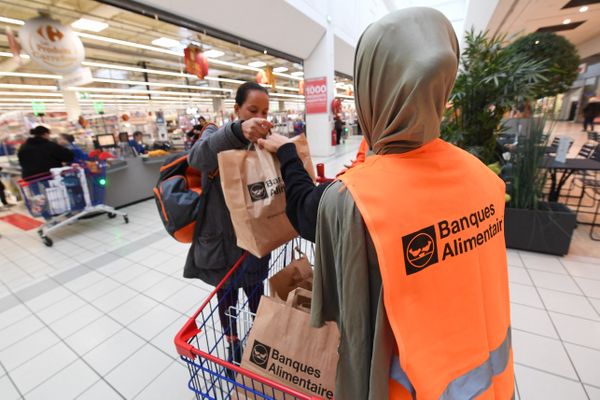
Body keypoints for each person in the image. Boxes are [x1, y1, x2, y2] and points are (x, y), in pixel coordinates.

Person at [259, 8, 513, 399]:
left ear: (372, 89)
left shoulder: (356, 202)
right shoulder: (484, 179)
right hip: (492, 382)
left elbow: (306, 210)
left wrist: (289, 155)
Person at [186, 82, 273, 367]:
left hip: (254, 241)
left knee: (256, 292)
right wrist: (237, 131)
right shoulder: (216, 135)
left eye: (264, 111)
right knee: (226, 297)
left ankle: (260, 339)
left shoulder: (262, 142)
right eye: (252, 110)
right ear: (237, 110)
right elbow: (197, 158)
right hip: (223, 242)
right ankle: (233, 343)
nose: (259, 116)